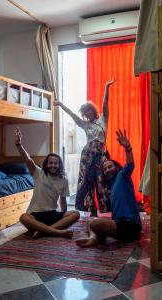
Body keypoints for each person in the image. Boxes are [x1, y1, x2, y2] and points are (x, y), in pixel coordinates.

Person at [54, 79, 115, 217]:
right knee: (87, 182)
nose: (87, 114)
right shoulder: (84, 124)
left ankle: (107, 209)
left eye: (89, 111)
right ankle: (92, 211)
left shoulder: (103, 120)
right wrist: (61, 104)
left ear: (93, 111)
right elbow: (71, 114)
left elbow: (105, 104)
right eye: (85, 112)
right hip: (87, 155)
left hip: (100, 155)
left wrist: (106, 87)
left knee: (101, 182)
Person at [75, 129, 142, 247]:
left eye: (109, 166)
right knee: (90, 221)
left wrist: (128, 148)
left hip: (130, 225)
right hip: (118, 223)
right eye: (105, 169)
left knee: (95, 224)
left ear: (117, 167)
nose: (107, 170)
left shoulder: (122, 175)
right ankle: (93, 238)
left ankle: (97, 237)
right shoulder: (110, 185)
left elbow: (130, 164)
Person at [14, 128, 80, 238]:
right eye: (51, 163)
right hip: (35, 216)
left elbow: (63, 202)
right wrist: (18, 144)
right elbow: (28, 159)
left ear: (59, 165)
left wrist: (65, 218)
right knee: (23, 217)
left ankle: (43, 231)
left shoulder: (64, 179)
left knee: (75, 214)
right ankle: (56, 232)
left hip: (52, 214)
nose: (53, 165)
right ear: (46, 164)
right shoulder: (38, 173)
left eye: (56, 163)